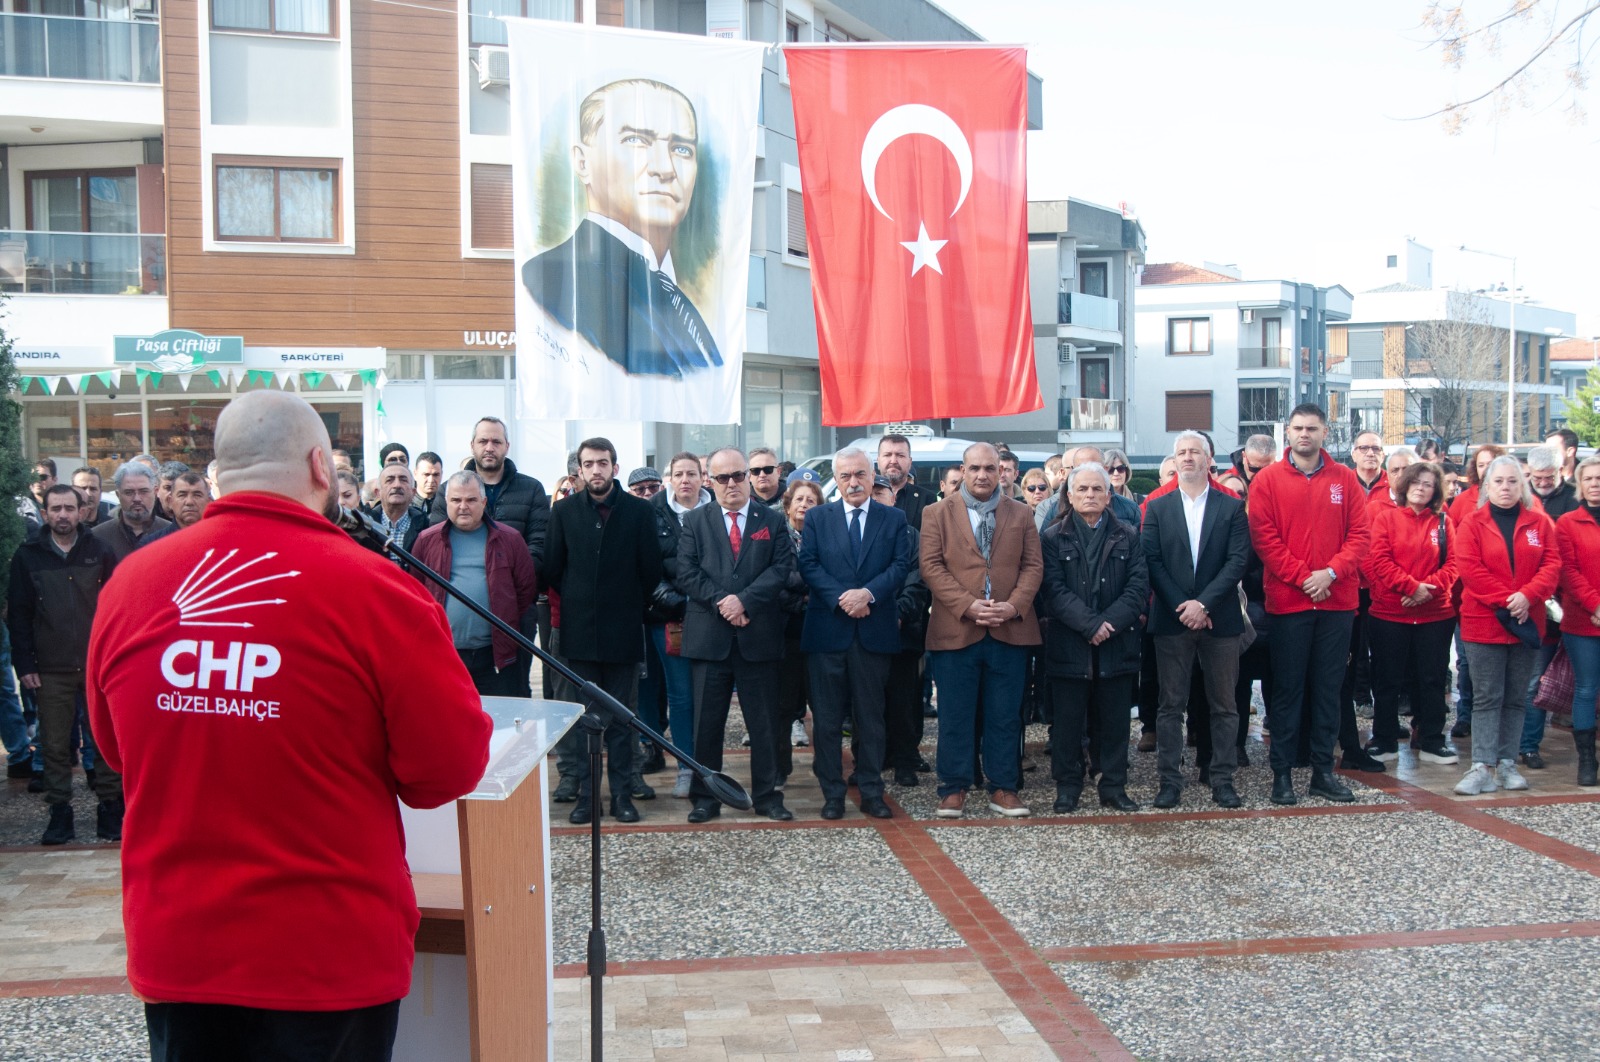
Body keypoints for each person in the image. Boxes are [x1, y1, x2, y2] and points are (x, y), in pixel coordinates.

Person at [86, 390, 491, 1061]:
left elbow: (113, 750)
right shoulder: (377, 592)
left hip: (182, 946)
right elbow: (445, 771)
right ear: (319, 466)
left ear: (220, 471)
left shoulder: (131, 586)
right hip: (328, 954)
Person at [521, 78, 721, 378]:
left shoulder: (676, 298)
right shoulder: (549, 281)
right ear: (582, 162)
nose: (664, 168)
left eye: (681, 149)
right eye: (636, 141)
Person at [1248, 403, 1371, 805]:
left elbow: (1360, 535)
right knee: (1286, 692)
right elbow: (1265, 540)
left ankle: (1323, 772)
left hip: (1336, 605)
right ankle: (1281, 774)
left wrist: (1330, 574)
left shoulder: (1346, 480)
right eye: (1298, 428)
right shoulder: (1267, 481)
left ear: (1324, 432)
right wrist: (1304, 577)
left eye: (1312, 428)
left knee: (1328, 690)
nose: (1305, 434)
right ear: (1288, 432)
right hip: (1289, 605)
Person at [542, 437, 663, 824]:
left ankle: (622, 797)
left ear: (615, 466)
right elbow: (552, 569)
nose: (596, 470)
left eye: (603, 463)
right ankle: (586, 798)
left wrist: (624, 602)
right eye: (589, 463)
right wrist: (582, 600)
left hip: (624, 632)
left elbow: (651, 571)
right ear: (579, 468)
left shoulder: (638, 513)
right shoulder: (563, 512)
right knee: (584, 721)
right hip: (579, 634)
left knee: (623, 721)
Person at [920, 442, 1042, 819]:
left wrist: (1014, 605)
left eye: (991, 468)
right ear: (963, 469)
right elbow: (930, 566)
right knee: (955, 714)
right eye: (975, 468)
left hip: (1010, 630)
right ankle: (952, 789)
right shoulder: (936, 512)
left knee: (1005, 715)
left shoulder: (1021, 513)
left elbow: (1033, 566)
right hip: (956, 629)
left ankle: (1003, 788)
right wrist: (967, 605)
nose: (983, 475)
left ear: (1002, 472)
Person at [677, 448, 796, 821]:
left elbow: (781, 569)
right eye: (723, 478)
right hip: (710, 638)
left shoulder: (772, 522)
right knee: (706, 725)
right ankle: (706, 797)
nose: (732, 484)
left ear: (749, 476)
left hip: (757, 635)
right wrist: (723, 603)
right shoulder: (695, 522)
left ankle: (766, 795)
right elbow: (687, 572)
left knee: (763, 723)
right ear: (710, 482)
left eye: (739, 475)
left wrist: (744, 601)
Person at [796, 446, 915, 820]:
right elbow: (808, 564)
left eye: (860, 474)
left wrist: (869, 594)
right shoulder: (818, 517)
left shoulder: (893, 518)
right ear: (837, 479)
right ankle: (832, 793)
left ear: (871, 474)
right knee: (827, 721)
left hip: (873, 629)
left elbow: (900, 565)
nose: (853, 482)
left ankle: (871, 790)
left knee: (871, 718)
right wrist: (841, 598)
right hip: (827, 631)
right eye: (845, 476)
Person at [1141, 432, 1250, 809]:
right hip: (1172, 620)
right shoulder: (1157, 507)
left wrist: (1203, 604)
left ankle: (1222, 778)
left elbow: (1237, 561)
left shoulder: (1231, 506)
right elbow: (1151, 562)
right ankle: (1170, 781)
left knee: (1224, 705)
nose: (1188, 457)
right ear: (1174, 460)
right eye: (1181, 452)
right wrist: (1184, 607)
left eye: (1195, 452)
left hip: (1219, 619)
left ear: (1208, 459)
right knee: (1170, 706)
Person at [8, 484, 120, 844]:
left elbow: (116, 608)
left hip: (95, 666)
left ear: (81, 512)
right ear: (44, 514)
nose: (62, 515)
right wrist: (25, 663)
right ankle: (59, 813)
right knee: (55, 745)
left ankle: (110, 807)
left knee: (103, 740)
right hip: (50, 668)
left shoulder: (99, 551)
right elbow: (20, 616)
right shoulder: (28, 556)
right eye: (55, 508)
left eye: (69, 508)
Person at [1039, 462, 1148, 812]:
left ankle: (1113, 785)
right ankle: (1068, 786)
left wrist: (1108, 624)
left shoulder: (1129, 535)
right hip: (1070, 645)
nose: (1090, 495)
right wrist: (1089, 625)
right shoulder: (1053, 537)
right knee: (1068, 723)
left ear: (1109, 495)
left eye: (1097, 489)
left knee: (1115, 722)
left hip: (1117, 644)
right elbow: (1052, 590)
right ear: (1069, 496)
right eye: (1082, 489)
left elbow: (1137, 587)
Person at [1451, 456, 1560, 795]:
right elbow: (1471, 570)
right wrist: (1508, 599)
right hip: (1485, 621)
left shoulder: (1539, 523)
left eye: (1513, 481)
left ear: (1522, 485)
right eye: (1498, 481)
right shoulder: (1472, 523)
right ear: (1487, 486)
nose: (1505, 487)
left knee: (1516, 697)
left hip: (1527, 620)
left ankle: (1508, 763)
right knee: (1487, 697)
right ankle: (1481, 766)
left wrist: (1528, 596)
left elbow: (1552, 564)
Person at [1362, 461, 1460, 765]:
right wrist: (1409, 588)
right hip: (1390, 613)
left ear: (1435, 491)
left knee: (1432, 680)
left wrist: (1425, 590)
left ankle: (1431, 739)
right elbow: (1379, 560)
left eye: (1428, 484)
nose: (1420, 488)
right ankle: (1385, 738)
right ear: (1405, 486)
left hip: (1435, 615)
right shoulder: (1386, 519)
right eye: (1416, 482)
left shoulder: (1444, 522)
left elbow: (1454, 565)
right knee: (1387, 679)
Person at [412, 471, 538, 697]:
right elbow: (416, 592)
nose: (463, 506)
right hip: (446, 654)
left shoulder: (510, 540)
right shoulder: (426, 541)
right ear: (446, 502)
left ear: (484, 502)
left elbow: (524, 591)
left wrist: (504, 616)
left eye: (470, 500)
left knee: (500, 724)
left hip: (494, 657)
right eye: (456, 500)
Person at [642, 452, 710, 799]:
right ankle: (686, 766)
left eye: (691, 474)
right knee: (681, 695)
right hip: (671, 618)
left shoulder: (716, 510)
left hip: (714, 616)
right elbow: (647, 568)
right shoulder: (652, 512)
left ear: (703, 478)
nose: (685, 480)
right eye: (678, 473)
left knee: (710, 696)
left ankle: (709, 765)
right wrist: (679, 603)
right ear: (668, 479)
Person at [871, 476, 931, 789]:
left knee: (905, 702)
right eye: (871, 493)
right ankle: (874, 758)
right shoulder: (860, 531)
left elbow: (918, 578)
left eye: (881, 493)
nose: (876, 498)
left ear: (893, 498)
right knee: (869, 702)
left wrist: (898, 613)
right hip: (866, 629)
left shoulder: (911, 534)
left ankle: (905, 762)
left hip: (903, 631)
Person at [429, 417, 549, 565]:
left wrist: (513, 577)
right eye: (483, 441)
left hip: (515, 582)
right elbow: (437, 541)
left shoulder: (532, 489)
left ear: (507, 446)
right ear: (472, 446)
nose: (489, 448)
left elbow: (539, 543)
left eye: (496, 442)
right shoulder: (448, 490)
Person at [775, 474, 823, 788]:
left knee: (823, 706)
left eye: (811, 500)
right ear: (788, 505)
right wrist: (806, 594)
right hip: (785, 631)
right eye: (799, 500)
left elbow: (829, 577)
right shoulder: (777, 537)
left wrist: (810, 590)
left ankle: (827, 769)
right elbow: (775, 580)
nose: (804, 505)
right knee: (781, 706)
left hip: (819, 632)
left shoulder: (827, 536)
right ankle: (779, 770)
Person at [1556, 455, 1600, 787]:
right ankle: (1587, 762)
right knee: (1586, 689)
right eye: (1589, 479)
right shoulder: (1568, 523)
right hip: (1582, 620)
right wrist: (1595, 604)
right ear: (1580, 485)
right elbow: (1567, 571)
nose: (1595, 484)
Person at [91, 462, 172, 562]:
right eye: (129, 492)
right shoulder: (98, 536)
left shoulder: (172, 534)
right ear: (118, 495)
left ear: (155, 492)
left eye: (143, 491)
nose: (137, 499)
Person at [365, 463, 430, 558]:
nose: (397, 485)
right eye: (389, 480)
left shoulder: (426, 527)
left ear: (413, 493)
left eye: (403, 480)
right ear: (378, 493)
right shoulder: (365, 526)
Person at [878, 433, 935, 530]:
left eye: (900, 455)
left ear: (910, 462)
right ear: (878, 461)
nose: (893, 461)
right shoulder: (866, 497)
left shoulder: (928, 500)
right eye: (887, 455)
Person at [145, 472, 211, 542]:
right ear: (170, 501)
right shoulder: (151, 544)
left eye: (197, 495)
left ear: (209, 502)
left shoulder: (220, 540)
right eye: (182, 495)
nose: (189, 502)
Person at [1528, 444, 1578, 519]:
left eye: (1549, 478)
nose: (1543, 483)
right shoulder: (1519, 495)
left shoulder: (1576, 496)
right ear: (1530, 471)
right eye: (1537, 478)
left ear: (1560, 470)